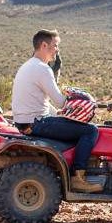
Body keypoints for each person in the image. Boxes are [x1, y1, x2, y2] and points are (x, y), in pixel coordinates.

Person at [11, 29, 100, 194]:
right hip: (37, 122)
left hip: (26, 121)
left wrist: (59, 113)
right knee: (90, 131)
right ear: (44, 45)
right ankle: (77, 178)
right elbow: (60, 101)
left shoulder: (28, 65)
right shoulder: (42, 68)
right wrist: (79, 101)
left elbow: (42, 102)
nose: (57, 50)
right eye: (55, 45)